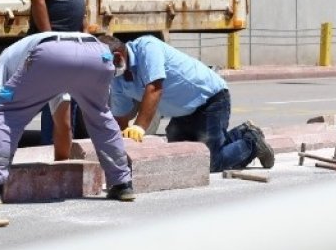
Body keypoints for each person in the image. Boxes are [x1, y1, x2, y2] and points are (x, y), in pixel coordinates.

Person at [0, 32, 135, 206]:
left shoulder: (3, 62)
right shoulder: (86, 49)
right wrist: (62, 165)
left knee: (3, 112)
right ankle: (122, 184)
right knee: (101, 118)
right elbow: (63, 121)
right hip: (98, 58)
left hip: (50, 54)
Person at [109, 36, 274, 172]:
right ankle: (242, 132)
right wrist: (123, 152)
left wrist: (138, 128)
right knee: (183, 157)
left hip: (210, 99)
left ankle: (251, 141)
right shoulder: (117, 79)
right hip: (183, 111)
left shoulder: (147, 48)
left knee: (209, 163)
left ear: (117, 57)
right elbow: (120, 119)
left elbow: (154, 89)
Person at [29, 0, 101, 156]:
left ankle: (60, 151)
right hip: (54, 45)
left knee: (67, 102)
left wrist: (82, 32)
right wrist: (48, 38)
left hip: (72, 44)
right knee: (55, 103)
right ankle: (50, 150)